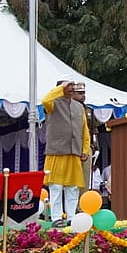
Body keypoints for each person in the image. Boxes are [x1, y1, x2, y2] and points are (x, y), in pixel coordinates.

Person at [41, 80, 90, 226]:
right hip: (56, 151)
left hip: (74, 151)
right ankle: (56, 218)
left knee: (73, 187)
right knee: (56, 187)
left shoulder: (78, 107)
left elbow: (84, 130)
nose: (71, 89)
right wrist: (60, 88)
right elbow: (44, 99)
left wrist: (85, 149)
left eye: (72, 87)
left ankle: (71, 217)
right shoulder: (52, 104)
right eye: (68, 87)